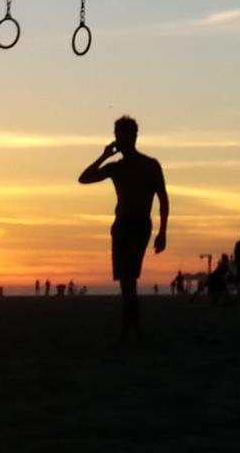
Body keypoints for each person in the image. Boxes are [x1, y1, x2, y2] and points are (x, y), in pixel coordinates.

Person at [78, 117, 167, 341]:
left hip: (139, 225)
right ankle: (130, 328)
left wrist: (163, 231)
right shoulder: (116, 168)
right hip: (121, 226)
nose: (121, 139)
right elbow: (84, 178)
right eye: (118, 135)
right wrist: (105, 155)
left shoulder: (150, 165)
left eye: (124, 135)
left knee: (129, 277)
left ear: (134, 136)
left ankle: (131, 329)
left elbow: (163, 199)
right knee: (126, 280)